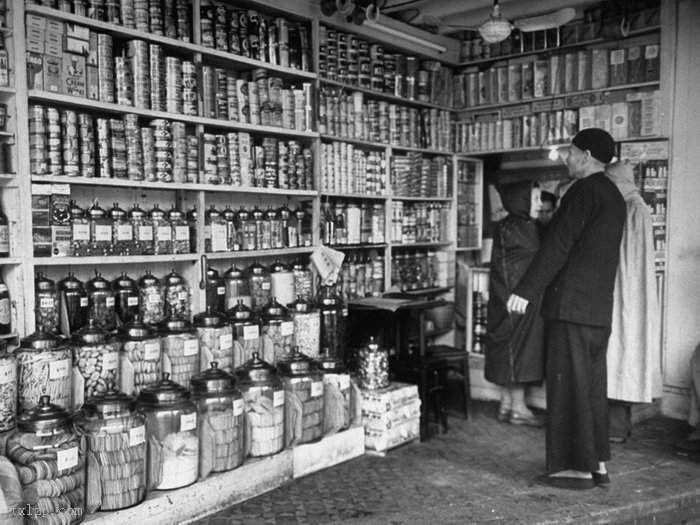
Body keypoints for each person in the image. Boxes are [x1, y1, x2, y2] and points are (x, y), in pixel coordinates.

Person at [506, 128, 626, 490]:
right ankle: (598, 464)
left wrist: (526, 290)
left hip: (570, 308)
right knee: (590, 389)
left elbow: (558, 245)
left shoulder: (583, 191)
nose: (567, 159)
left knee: (569, 390)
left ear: (587, 155)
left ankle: (572, 471)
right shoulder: (613, 195)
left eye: (570, 153)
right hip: (596, 311)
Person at [606, 160, 662, 443]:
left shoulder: (630, 208)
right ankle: (618, 427)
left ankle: (615, 429)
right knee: (624, 355)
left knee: (619, 355)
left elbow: (621, 256)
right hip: (631, 291)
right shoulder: (637, 206)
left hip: (623, 290)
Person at [485, 181, 544, 427]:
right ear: (522, 201)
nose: (540, 205)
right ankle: (518, 408)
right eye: (536, 199)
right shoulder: (525, 228)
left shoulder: (503, 226)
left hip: (502, 300)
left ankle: (506, 404)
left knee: (507, 349)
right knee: (521, 352)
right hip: (521, 302)